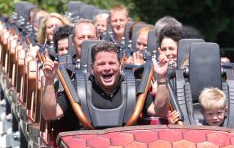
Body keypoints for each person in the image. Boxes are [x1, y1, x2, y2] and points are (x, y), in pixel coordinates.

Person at [41, 41, 170, 129]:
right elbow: (50, 114)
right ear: (92, 68)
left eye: (112, 63)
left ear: (119, 65)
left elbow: (160, 111)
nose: (107, 68)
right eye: (101, 64)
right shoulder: (76, 88)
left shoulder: (134, 86)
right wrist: (49, 81)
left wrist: (162, 78)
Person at [169, 87, 234, 127]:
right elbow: (183, 134)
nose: (215, 117)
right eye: (210, 114)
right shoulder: (197, 125)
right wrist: (174, 125)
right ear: (202, 113)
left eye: (219, 113)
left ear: (225, 110)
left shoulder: (232, 124)